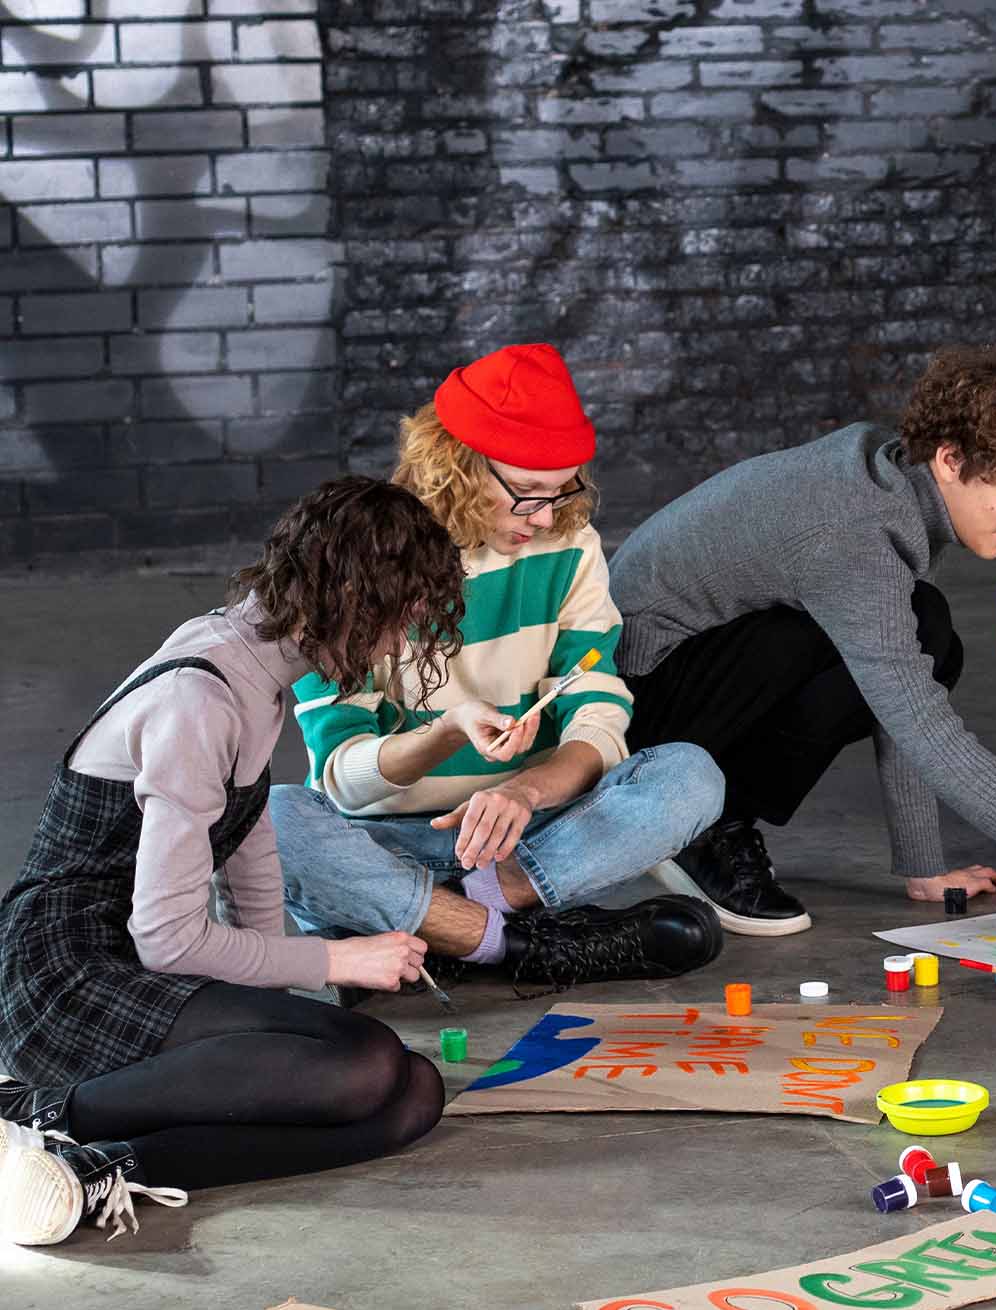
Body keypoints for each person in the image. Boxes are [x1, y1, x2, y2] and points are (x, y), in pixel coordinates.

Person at [608, 344, 996, 935]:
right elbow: (923, 726)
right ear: (952, 459)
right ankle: (701, 824)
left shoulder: (897, 477)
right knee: (844, 639)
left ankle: (719, 811)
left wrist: (924, 864)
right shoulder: (854, 532)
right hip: (632, 705)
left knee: (925, 628)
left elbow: (906, 688)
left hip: (694, 674)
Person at [0, 478, 464, 1247]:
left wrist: (278, 1023)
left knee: (413, 1093)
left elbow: (249, 859)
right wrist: (339, 959)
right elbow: (168, 940)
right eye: (397, 622)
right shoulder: (202, 698)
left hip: (136, 962)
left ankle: (96, 1171)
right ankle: (39, 1112)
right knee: (366, 1063)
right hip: (68, 974)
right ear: (352, 596)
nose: (394, 648)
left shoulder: (258, 673)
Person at [268, 344, 724, 989]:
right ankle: (512, 945)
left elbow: (597, 715)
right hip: (382, 841)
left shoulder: (570, 546)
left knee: (689, 776)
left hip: (525, 841)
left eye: (562, 489)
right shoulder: (352, 557)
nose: (546, 516)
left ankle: (446, 925)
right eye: (527, 493)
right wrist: (447, 732)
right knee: (274, 817)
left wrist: (524, 791)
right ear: (454, 466)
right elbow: (342, 781)